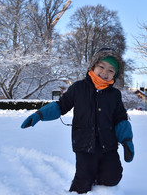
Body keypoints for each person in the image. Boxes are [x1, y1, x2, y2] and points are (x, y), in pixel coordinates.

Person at [21, 48, 134, 194]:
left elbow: (120, 118)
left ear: (116, 74)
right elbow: (61, 106)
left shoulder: (114, 94)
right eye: (102, 67)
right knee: (83, 180)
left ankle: (99, 187)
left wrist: (127, 141)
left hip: (109, 144)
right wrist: (39, 115)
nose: (105, 73)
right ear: (93, 66)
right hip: (84, 143)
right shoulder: (79, 88)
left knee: (112, 177)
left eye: (111, 70)